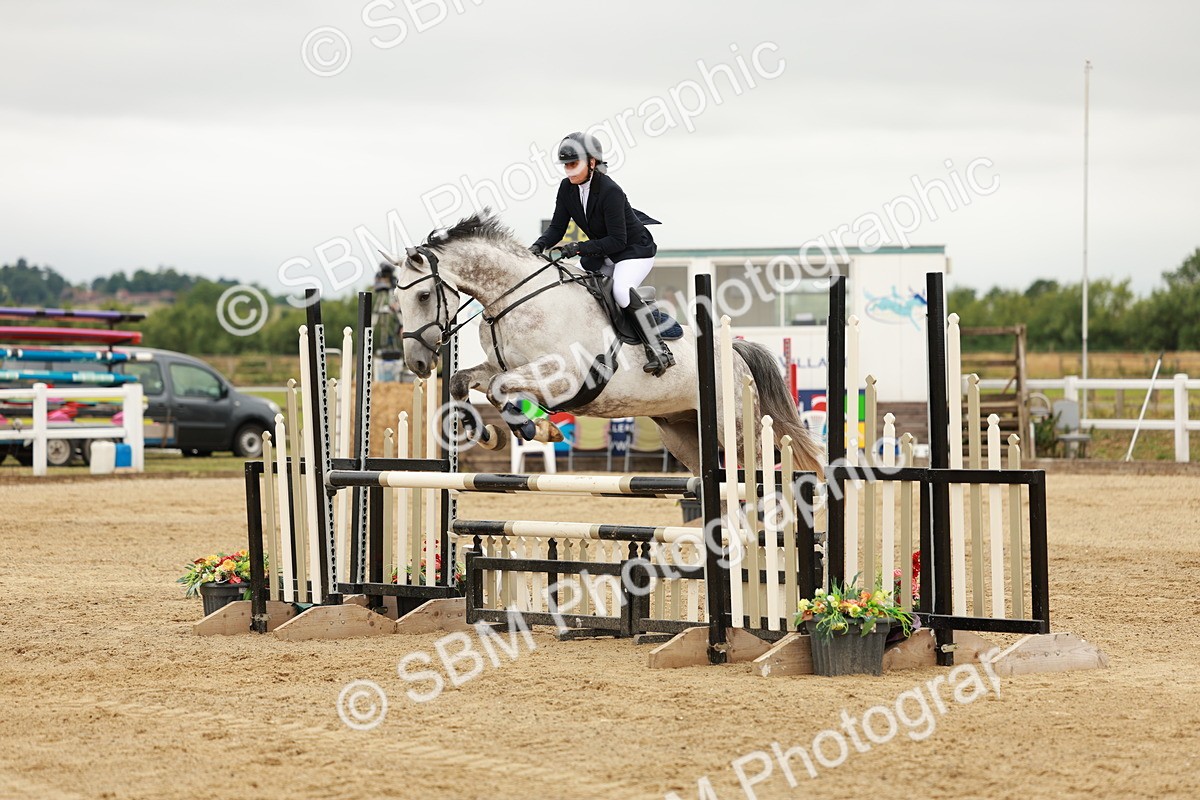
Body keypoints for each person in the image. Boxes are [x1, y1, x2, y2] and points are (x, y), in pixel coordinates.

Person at [529, 132, 675, 376]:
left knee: (620, 290)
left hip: (634, 251)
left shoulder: (610, 191)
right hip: (604, 252)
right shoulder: (566, 188)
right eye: (566, 165)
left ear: (592, 162)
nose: (569, 170)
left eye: (574, 164)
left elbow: (618, 240)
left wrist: (578, 248)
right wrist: (537, 246)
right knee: (578, 287)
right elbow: (557, 227)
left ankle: (659, 351)